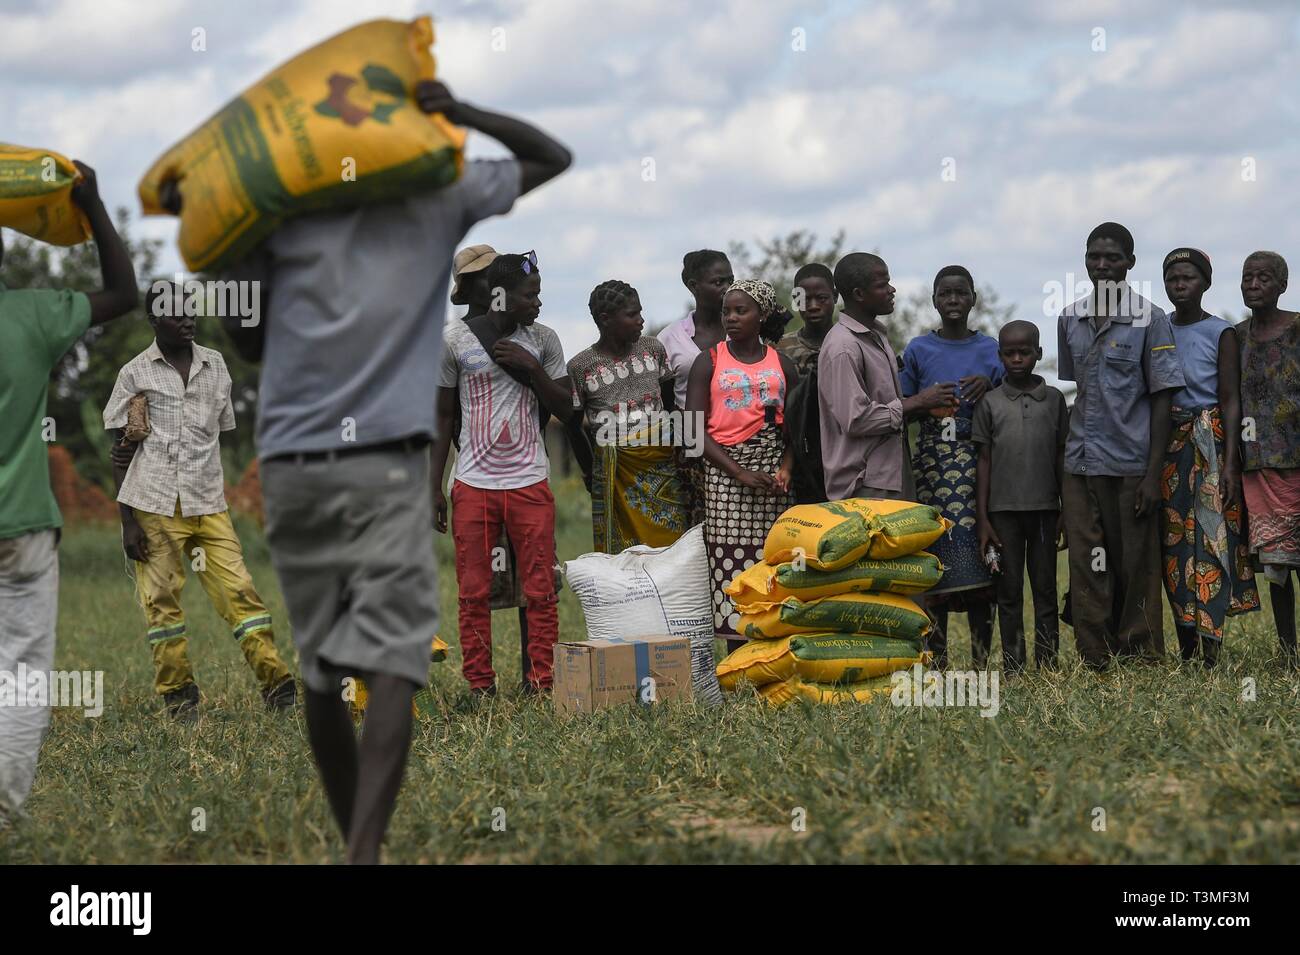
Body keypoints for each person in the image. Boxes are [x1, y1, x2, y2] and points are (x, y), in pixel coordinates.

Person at [209, 81, 570, 863]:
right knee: (397, 664)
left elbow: (248, 343)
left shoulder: (285, 221)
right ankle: (365, 846)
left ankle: (358, 842)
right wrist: (463, 112)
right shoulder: (432, 206)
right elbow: (550, 155)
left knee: (322, 667)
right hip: (386, 466)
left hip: (295, 464)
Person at [0, 162, 138, 823]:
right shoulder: (31, 314)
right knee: (21, 675)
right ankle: (3, 812)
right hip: (23, 529)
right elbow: (123, 291)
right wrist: (92, 202)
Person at [104, 282, 295, 720]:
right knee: (162, 601)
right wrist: (127, 523)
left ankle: (278, 685)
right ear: (154, 321)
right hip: (153, 504)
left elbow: (218, 435)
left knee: (240, 590)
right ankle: (179, 697)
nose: (187, 318)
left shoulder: (217, 366)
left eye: (190, 310)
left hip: (208, 503)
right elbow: (122, 451)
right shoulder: (136, 373)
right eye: (175, 313)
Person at [433, 251, 571, 696]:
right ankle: (480, 686)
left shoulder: (544, 340)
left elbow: (567, 409)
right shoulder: (452, 341)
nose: (538, 303)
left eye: (539, 294)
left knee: (540, 588)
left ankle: (541, 681)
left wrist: (530, 369)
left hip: (530, 480)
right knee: (473, 591)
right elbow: (441, 418)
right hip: (473, 483)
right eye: (531, 295)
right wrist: (432, 486)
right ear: (499, 296)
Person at [1057, 222, 1185, 670]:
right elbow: (1079, 388)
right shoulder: (1069, 318)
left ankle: (1140, 656)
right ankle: (1095, 656)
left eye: (1112, 257)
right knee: (1087, 562)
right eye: (1094, 256)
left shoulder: (1151, 318)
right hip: (1080, 463)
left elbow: (1163, 396)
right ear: (1085, 260)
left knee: (1136, 564)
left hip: (1133, 464)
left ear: (1130, 262)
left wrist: (1154, 475)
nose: (1102, 264)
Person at [1156, 249, 1260, 667]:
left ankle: (1211, 650)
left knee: (1213, 541)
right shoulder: (1157, 328)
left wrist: (1232, 462)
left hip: (1212, 445)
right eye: (1172, 279)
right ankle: (1186, 649)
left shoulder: (1222, 333)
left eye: (1188, 278)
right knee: (1175, 545)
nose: (1180, 285)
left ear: (1205, 284)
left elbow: (1231, 399)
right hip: (1169, 445)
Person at [901, 266, 1003, 669]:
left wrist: (990, 389)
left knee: (983, 558)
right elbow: (903, 409)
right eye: (946, 294)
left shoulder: (992, 349)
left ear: (974, 299)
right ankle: (937, 659)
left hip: (978, 464)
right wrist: (926, 399)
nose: (954, 300)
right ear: (934, 300)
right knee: (934, 561)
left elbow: (1008, 400)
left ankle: (980, 660)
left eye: (961, 293)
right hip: (931, 466)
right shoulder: (918, 350)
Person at [686, 280, 796, 652]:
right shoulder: (710, 360)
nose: (731, 318)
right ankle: (738, 659)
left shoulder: (782, 363)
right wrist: (738, 472)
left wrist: (786, 468)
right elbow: (692, 433)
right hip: (725, 476)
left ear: (762, 316)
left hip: (773, 481)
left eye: (741, 311)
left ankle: (774, 652)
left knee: (773, 562)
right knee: (732, 564)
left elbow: (796, 428)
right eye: (726, 311)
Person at [818, 253, 955, 502]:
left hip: (889, 475)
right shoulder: (843, 347)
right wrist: (920, 401)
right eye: (882, 285)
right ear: (859, 294)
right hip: (863, 484)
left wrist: (922, 408)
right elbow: (857, 420)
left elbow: (887, 410)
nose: (892, 290)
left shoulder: (876, 337)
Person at [974, 320, 1069, 673]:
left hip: (1045, 510)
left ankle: (1048, 663)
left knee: (1044, 589)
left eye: (1024, 352)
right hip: (1002, 514)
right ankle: (1013, 665)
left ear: (1038, 354)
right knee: (1008, 592)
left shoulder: (1055, 400)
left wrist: (1066, 509)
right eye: (1010, 353)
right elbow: (983, 461)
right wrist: (983, 517)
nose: (1017, 359)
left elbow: (1062, 456)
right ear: (1000, 357)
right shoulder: (990, 403)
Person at [568, 279, 689, 552]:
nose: (641, 320)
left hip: (663, 468)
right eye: (632, 315)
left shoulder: (653, 349)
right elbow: (573, 427)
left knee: (672, 546)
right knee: (623, 555)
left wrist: (691, 452)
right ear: (605, 319)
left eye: (641, 312)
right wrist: (590, 472)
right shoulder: (581, 366)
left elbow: (673, 406)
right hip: (614, 474)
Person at [1237, 250, 1300, 667]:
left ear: (1282, 285)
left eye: (1264, 278)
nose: (1254, 284)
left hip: (1297, 460)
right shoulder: (1236, 336)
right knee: (1278, 565)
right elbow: (1229, 399)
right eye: (1247, 277)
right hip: (1257, 465)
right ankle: (1288, 651)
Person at [659, 250, 734, 525]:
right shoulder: (670, 339)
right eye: (717, 282)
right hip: (692, 451)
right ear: (693, 286)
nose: (727, 289)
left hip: (743, 442)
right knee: (701, 526)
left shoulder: (746, 330)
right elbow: (665, 403)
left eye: (730, 280)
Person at [776, 263, 837, 376]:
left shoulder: (852, 343)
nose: (813, 306)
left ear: (835, 297)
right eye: (805, 299)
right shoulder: (779, 348)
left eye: (821, 298)